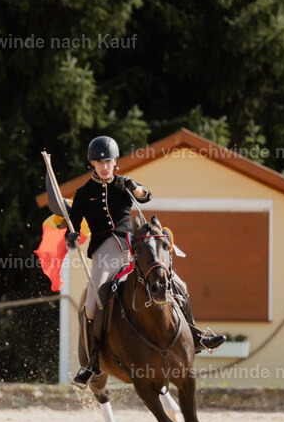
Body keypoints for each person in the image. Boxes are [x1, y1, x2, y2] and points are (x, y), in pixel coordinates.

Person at [67, 136, 223, 388]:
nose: (105, 166)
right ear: (92, 164)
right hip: (105, 255)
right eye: (99, 162)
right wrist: (71, 235)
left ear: (115, 162)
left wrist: (134, 187)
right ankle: (91, 363)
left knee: (179, 284)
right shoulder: (84, 193)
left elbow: (145, 196)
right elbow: (72, 224)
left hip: (133, 249)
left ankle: (195, 336)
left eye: (109, 161)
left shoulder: (123, 184)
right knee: (92, 305)